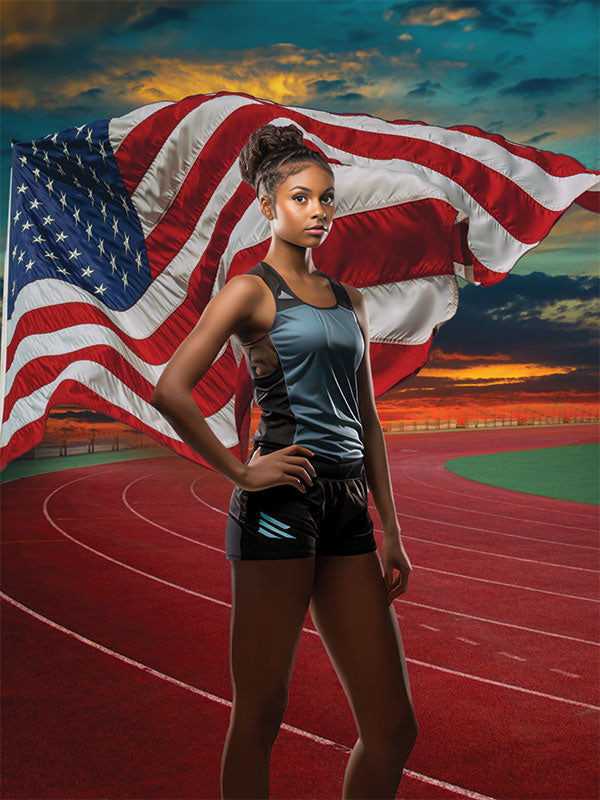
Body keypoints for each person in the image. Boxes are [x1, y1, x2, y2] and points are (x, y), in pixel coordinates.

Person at [150, 123, 417, 800]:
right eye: (302, 198)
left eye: (326, 198)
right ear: (268, 205)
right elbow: (171, 388)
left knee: (392, 727)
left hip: (348, 510)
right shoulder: (250, 291)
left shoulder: (349, 300)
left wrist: (392, 529)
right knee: (261, 713)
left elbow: (368, 421)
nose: (319, 211)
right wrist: (242, 472)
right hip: (280, 506)